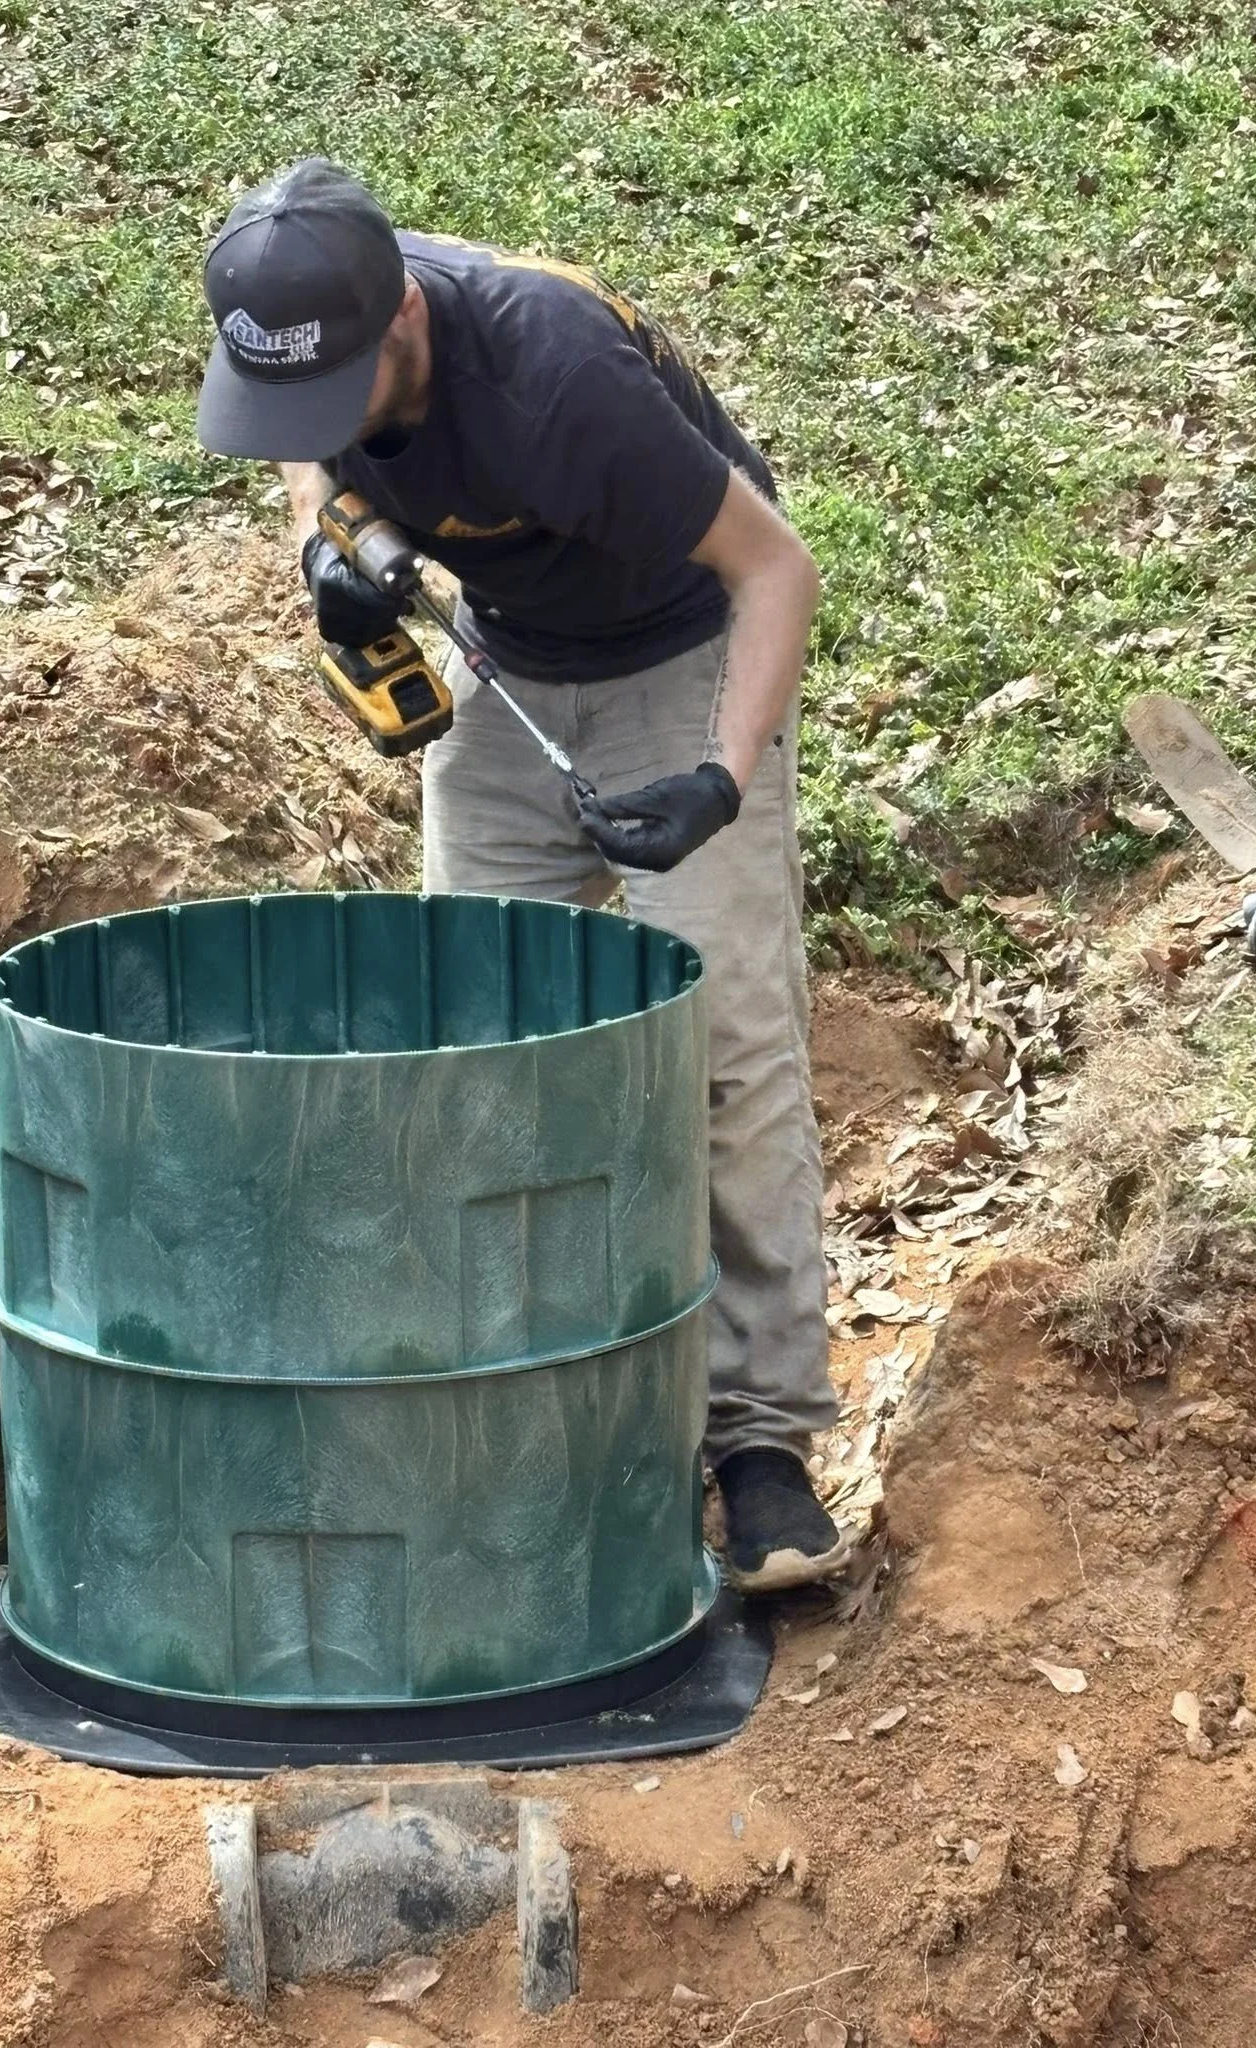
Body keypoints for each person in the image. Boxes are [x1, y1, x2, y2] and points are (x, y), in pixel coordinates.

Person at [196, 157, 845, 1592]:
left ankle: (761, 1448)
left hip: (685, 656)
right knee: (474, 1040)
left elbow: (777, 570)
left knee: (723, 1049)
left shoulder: (560, 378)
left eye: (335, 391)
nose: (303, 417)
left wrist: (720, 781)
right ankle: (518, 1413)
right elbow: (307, 453)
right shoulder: (292, 303)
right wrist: (334, 546)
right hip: (512, 663)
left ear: (406, 323)